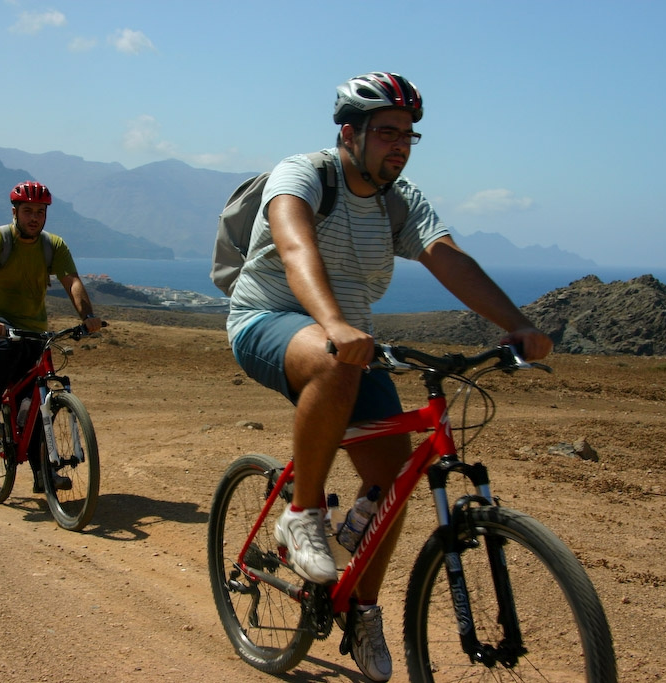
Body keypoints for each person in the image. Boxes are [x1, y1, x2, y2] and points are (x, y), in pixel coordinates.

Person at [225, 72, 553, 682]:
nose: (400, 145)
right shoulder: (304, 175)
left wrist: (516, 323)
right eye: (387, 132)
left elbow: (449, 259)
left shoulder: (399, 200)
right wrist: (332, 323)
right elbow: (296, 250)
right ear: (349, 134)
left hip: (351, 344)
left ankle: (363, 609)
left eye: (408, 135)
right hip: (269, 320)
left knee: (394, 477)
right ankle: (302, 515)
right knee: (332, 360)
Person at [0, 180, 102, 493]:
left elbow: (72, 281)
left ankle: (44, 473)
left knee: (38, 399)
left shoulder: (53, 246)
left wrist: (87, 317)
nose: (34, 217)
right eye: (28, 211)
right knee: (3, 346)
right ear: (14, 211)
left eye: (40, 212)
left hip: (33, 329)